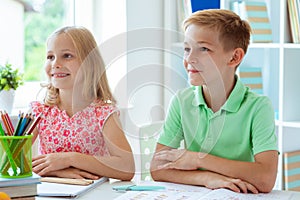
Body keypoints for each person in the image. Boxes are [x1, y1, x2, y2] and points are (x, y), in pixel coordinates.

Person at [150, 9, 278, 193]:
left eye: (203, 49)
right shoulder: (181, 101)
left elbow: (265, 178)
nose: (189, 59)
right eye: (187, 49)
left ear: (234, 57)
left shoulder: (258, 107)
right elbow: (157, 168)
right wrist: (207, 178)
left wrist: (197, 159)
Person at [30, 26, 135, 181]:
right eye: (50, 57)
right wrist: (57, 171)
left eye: (67, 55)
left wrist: (70, 159)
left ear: (90, 64)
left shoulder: (103, 113)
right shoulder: (40, 112)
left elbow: (127, 167)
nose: (55, 63)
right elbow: (11, 163)